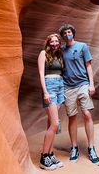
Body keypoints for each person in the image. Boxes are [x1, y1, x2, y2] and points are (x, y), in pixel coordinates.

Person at [59, 24, 99, 166]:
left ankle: (91, 148)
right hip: (68, 87)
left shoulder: (82, 46)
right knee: (71, 117)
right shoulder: (61, 50)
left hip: (83, 84)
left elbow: (88, 65)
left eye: (69, 32)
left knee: (87, 114)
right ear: (62, 36)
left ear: (73, 33)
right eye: (64, 33)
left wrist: (91, 84)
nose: (67, 34)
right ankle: (74, 148)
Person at [38, 33, 64, 170]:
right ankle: (43, 158)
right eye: (52, 41)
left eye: (56, 41)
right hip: (50, 87)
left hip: (60, 87)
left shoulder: (59, 56)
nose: (54, 43)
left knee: (51, 123)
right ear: (48, 43)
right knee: (55, 124)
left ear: (59, 43)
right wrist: (45, 92)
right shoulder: (43, 54)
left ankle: (50, 154)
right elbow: (41, 74)